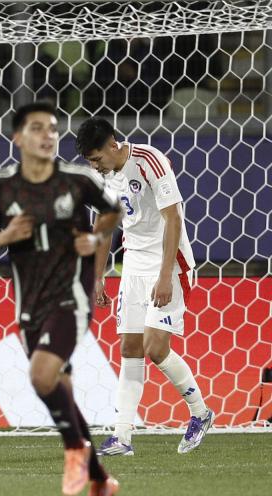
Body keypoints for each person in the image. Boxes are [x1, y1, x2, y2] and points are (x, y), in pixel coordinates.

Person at [0, 102, 123, 496]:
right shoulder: (1, 187)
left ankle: (74, 451)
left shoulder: (76, 180)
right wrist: (5, 237)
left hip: (70, 298)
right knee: (62, 393)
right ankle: (100, 480)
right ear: (18, 138)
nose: (47, 135)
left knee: (41, 376)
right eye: (37, 128)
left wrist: (93, 243)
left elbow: (114, 211)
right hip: (29, 306)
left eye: (52, 128)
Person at [76, 118, 214, 456]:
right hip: (134, 265)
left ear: (112, 145)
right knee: (129, 348)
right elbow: (106, 228)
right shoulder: (104, 178)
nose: (96, 167)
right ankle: (122, 437)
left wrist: (166, 276)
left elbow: (174, 218)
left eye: (97, 159)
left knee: (155, 347)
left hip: (169, 261)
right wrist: (98, 277)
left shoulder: (150, 160)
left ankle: (201, 412)